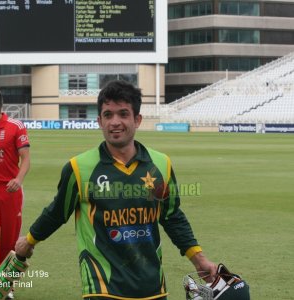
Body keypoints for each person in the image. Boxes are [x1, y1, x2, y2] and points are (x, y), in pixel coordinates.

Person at [15, 80, 217, 300]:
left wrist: (199, 259)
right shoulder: (78, 168)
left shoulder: (160, 165)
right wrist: (29, 241)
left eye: (123, 114)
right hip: (102, 286)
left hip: (152, 286)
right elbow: (57, 213)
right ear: (99, 121)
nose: (115, 122)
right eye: (108, 115)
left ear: (137, 120)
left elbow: (171, 217)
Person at [0, 87, 30, 299]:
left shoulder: (15, 126)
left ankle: (7, 287)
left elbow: (25, 158)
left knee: (9, 240)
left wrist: (18, 179)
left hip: (10, 192)